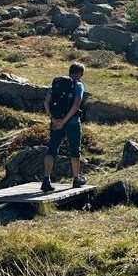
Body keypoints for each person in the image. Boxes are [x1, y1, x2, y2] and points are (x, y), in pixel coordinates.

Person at [41, 62, 87, 192]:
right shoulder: (78, 85)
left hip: (55, 122)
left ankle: (46, 179)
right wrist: (65, 120)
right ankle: (76, 179)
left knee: (52, 149)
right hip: (72, 122)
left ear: (69, 71)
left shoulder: (57, 84)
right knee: (74, 150)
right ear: (80, 74)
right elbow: (76, 105)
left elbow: (46, 102)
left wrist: (54, 118)